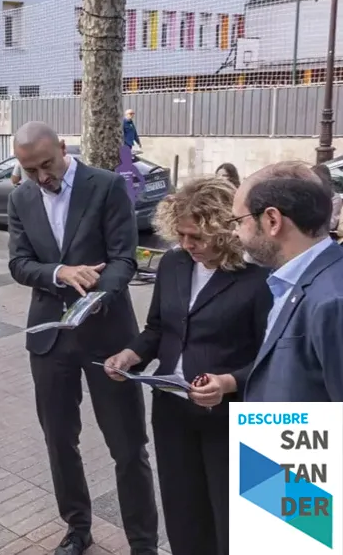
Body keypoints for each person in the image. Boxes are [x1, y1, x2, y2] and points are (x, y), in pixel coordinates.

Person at [6, 122, 158, 555]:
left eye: (46, 165)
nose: (40, 177)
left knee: (128, 445)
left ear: (62, 146)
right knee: (59, 441)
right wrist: (60, 273)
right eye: (29, 169)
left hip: (109, 336)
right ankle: (77, 528)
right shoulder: (20, 197)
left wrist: (94, 296)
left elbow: (124, 258)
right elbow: (19, 263)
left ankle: (143, 542)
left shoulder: (106, 186)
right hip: (50, 341)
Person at [104, 177, 272, 555]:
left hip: (227, 417)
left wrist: (228, 382)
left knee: (230, 517)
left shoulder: (258, 277)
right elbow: (158, 328)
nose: (187, 245)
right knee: (182, 512)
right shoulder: (175, 264)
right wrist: (131, 355)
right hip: (172, 410)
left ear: (224, 229)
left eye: (196, 236)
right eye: (180, 234)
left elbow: (272, 357)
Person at [191, 161, 343, 405]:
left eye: (239, 221)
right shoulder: (290, 281)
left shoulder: (332, 299)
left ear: (273, 220)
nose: (235, 233)